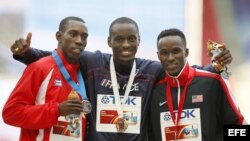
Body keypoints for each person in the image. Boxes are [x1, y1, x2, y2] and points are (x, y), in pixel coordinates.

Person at [9, 17, 233, 141]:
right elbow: (62, 57)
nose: (125, 45)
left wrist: (213, 68)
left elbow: (178, 67)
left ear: (138, 41)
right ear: (109, 41)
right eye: (119, 39)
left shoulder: (150, 69)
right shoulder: (94, 62)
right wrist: (27, 54)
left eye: (131, 39)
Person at [149, 28, 247, 141]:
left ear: (186, 52)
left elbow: (239, 126)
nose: (170, 58)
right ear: (158, 55)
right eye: (164, 53)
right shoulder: (154, 91)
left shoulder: (212, 82)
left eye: (176, 51)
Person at [2, 16, 89, 141]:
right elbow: (11, 113)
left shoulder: (85, 73)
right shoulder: (39, 68)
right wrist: (56, 110)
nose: (79, 41)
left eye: (84, 37)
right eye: (73, 34)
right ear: (59, 36)